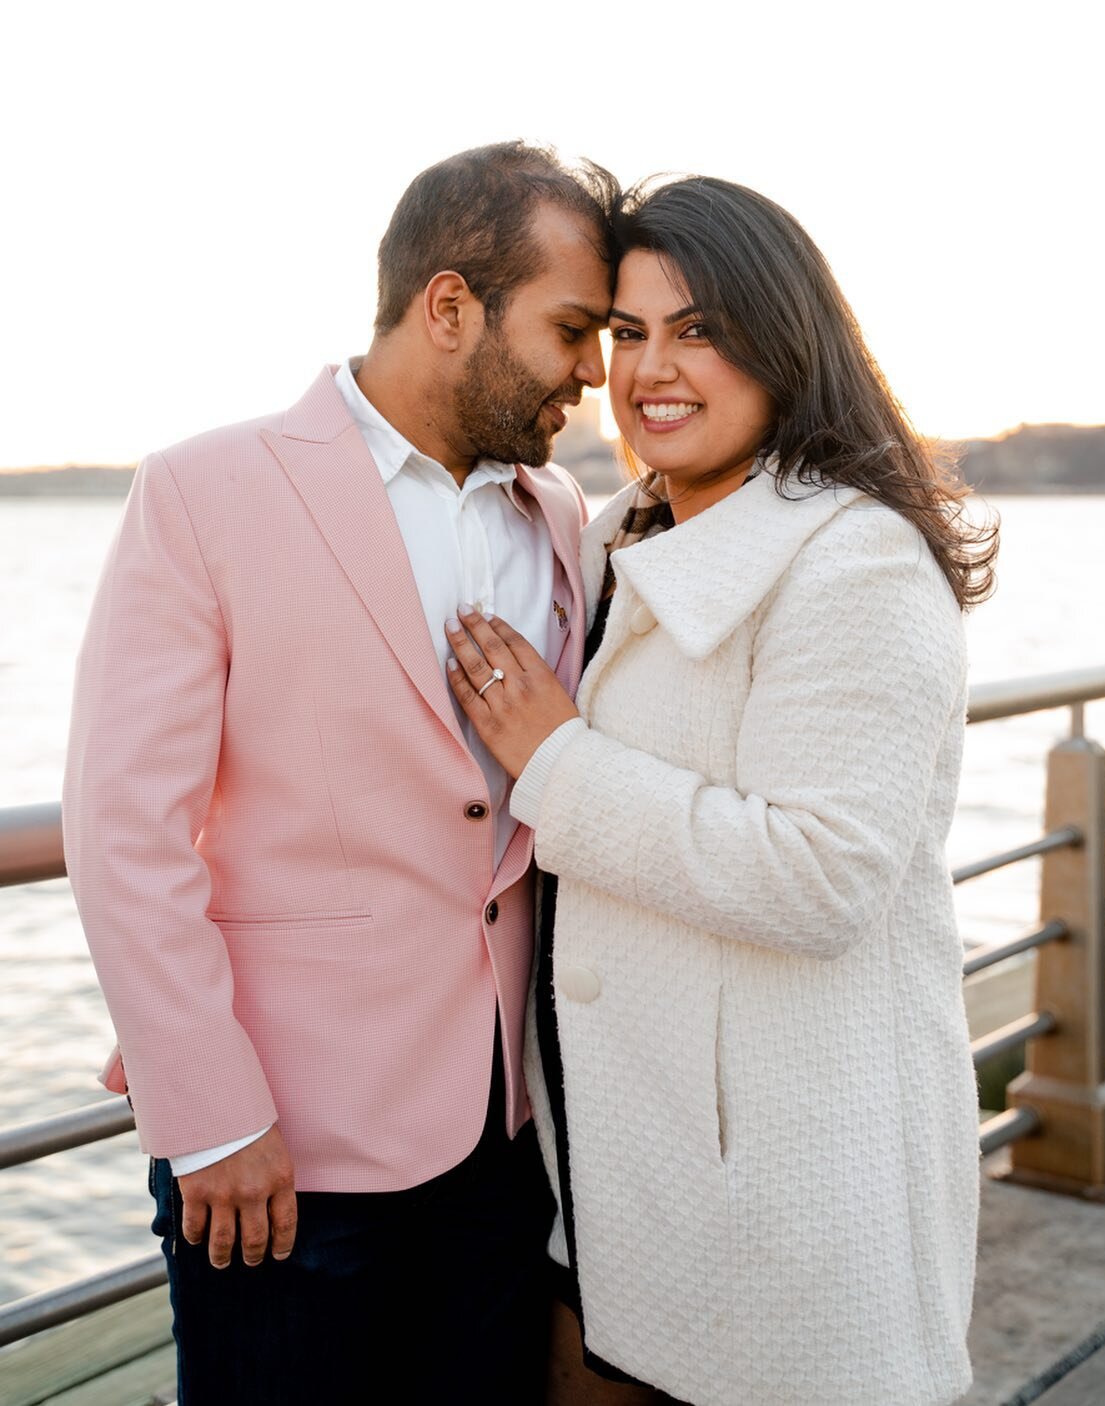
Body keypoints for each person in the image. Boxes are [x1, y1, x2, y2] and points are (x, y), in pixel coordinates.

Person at [62, 140, 617, 1404]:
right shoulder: (202, 490)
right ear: (450, 306)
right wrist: (208, 1114)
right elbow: (122, 828)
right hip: (279, 1153)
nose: (594, 371)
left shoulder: (563, 513)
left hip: (500, 1140)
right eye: (573, 327)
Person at [444, 175, 999, 1406]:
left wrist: (560, 761)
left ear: (783, 336)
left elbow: (824, 874)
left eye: (699, 327)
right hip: (609, 1183)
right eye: (626, 333)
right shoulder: (613, 541)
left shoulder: (853, 558)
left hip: (779, 1201)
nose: (653, 369)